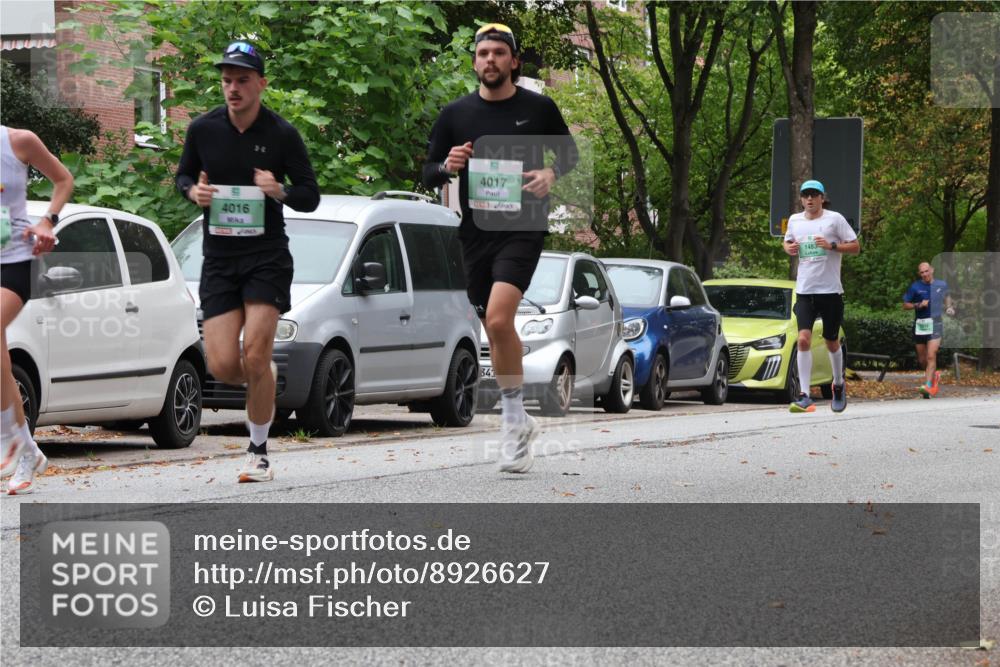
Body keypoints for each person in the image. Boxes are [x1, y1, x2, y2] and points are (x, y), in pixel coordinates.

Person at [422, 24, 576, 473]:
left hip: (523, 228)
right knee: (494, 328)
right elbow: (429, 172)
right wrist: (446, 165)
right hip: (475, 232)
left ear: (513, 62)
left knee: (498, 317)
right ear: (475, 61)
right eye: (483, 53)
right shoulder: (456, 113)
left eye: (498, 53)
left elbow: (569, 154)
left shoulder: (539, 108)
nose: (490, 60)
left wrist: (550, 174)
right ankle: (520, 416)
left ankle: (511, 421)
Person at [176, 41, 319, 483]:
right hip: (219, 258)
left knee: (255, 354)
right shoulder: (203, 130)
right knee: (221, 364)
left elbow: (310, 195)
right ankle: (263, 375)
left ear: (261, 83)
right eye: (226, 80)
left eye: (241, 80)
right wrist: (191, 193)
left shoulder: (282, 134)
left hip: (266, 257)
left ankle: (258, 452)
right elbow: (183, 175)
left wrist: (279, 191)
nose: (232, 88)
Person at [1, 126, 73, 493]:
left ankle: (7, 439)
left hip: (14, 259)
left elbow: (63, 179)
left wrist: (48, 220)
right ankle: (27, 449)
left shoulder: (19, 142)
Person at [782, 179, 860, 413]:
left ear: (822, 197)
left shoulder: (834, 219)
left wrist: (831, 246)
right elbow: (786, 242)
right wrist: (789, 248)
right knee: (803, 339)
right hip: (805, 290)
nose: (809, 199)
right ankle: (805, 394)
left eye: (814, 195)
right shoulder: (795, 220)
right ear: (801, 198)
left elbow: (855, 246)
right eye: (806, 195)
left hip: (830, 291)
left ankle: (838, 384)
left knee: (831, 340)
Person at [903, 262, 954, 397]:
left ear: (932, 270)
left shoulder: (942, 285)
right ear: (919, 274)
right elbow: (905, 305)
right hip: (920, 325)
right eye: (922, 272)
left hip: (935, 323)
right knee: (922, 359)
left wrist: (949, 307)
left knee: (932, 355)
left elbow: (947, 296)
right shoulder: (915, 287)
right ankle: (934, 376)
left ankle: (928, 386)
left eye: (927, 271)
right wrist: (918, 304)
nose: (925, 274)